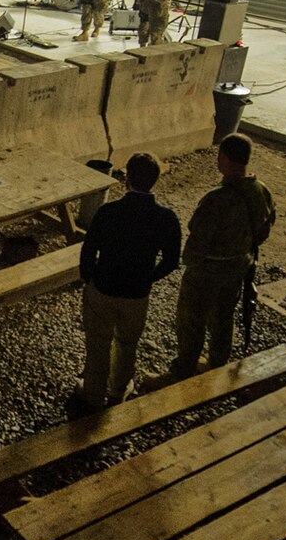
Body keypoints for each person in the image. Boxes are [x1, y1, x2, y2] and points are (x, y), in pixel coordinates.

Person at [75, 153, 182, 412]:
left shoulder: (108, 212)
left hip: (104, 285)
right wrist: (148, 278)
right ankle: (119, 389)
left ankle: (92, 392)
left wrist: (88, 278)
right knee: (127, 343)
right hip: (137, 293)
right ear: (154, 181)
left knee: (98, 341)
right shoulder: (166, 218)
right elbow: (171, 261)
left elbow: (89, 250)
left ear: (127, 179)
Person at [171, 134, 274, 377]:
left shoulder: (217, 199)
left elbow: (197, 239)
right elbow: (264, 230)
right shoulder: (261, 191)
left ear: (223, 158)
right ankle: (216, 364)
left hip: (206, 273)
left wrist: (192, 264)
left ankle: (182, 370)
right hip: (238, 268)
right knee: (223, 318)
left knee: (191, 322)